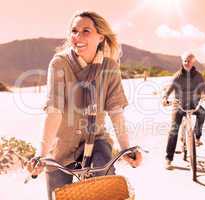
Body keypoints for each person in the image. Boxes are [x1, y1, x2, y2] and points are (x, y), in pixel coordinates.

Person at [27, 11, 142, 200]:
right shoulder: (60, 64)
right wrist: (41, 154)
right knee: (57, 195)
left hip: (97, 140)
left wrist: (126, 148)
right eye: (74, 31)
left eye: (86, 31)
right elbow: (54, 111)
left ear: (100, 37)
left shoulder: (109, 67)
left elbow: (115, 111)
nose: (77, 37)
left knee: (106, 187)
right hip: (62, 146)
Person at [162, 52, 205, 170]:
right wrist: (165, 98)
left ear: (193, 62)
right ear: (182, 61)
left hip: (194, 105)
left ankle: (197, 137)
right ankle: (168, 159)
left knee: (202, 113)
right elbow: (168, 91)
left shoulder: (198, 76)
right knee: (174, 130)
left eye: (189, 61)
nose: (186, 63)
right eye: (185, 60)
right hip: (179, 106)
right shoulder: (177, 76)